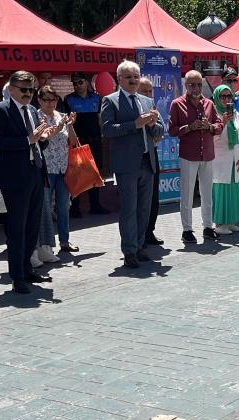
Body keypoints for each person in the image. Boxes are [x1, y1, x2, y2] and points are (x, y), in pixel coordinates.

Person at [0, 71, 56, 293]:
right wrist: (29, 139)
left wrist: (44, 138)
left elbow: (36, 145)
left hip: (35, 173)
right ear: (11, 89)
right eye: (23, 89)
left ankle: (27, 268)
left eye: (31, 90)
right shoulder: (1, 110)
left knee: (32, 226)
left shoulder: (32, 112)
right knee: (17, 227)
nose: (28, 94)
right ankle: (17, 276)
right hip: (14, 178)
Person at [102, 61, 164, 267]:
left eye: (136, 77)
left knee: (144, 209)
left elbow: (160, 129)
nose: (133, 81)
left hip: (147, 162)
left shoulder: (146, 101)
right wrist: (134, 125)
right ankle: (129, 251)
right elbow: (108, 130)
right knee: (129, 209)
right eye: (129, 77)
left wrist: (154, 125)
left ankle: (139, 246)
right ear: (119, 79)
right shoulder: (110, 101)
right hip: (127, 165)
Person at [170, 69, 224, 242]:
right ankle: (187, 230)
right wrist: (189, 127)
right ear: (186, 85)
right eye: (192, 85)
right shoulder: (177, 104)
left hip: (207, 154)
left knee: (207, 193)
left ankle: (208, 226)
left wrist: (209, 127)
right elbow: (172, 130)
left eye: (199, 84)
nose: (196, 88)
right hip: (188, 155)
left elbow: (219, 125)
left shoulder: (209, 103)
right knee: (187, 194)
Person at [36, 85, 79, 260]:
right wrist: (59, 125)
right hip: (46, 168)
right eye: (46, 99)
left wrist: (69, 126)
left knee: (63, 206)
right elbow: (43, 138)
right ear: (39, 100)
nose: (50, 103)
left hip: (63, 167)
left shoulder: (61, 116)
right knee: (45, 208)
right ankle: (47, 245)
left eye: (53, 99)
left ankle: (64, 241)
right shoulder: (37, 116)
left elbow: (74, 141)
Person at [65, 72, 110, 217]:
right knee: (77, 174)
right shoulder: (69, 99)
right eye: (75, 83)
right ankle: (75, 208)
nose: (77, 85)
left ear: (86, 82)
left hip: (95, 141)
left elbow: (101, 119)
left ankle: (95, 205)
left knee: (95, 173)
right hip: (78, 141)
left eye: (80, 82)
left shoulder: (97, 98)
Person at [210, 85, 239, 234]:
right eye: (223, 97)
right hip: (220, 158)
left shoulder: (236, 114)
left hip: (235, 157)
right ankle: (219, 224)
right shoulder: (214, 115)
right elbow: (211, 139)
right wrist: (223, 123)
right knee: (221, 190)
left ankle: (230, 221)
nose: (226, 99)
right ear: (217, 98)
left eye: (229, 96)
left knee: (233, 188)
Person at [137, 77, 164, 246]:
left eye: (150, 91)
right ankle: (138, 236)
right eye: (144, 91)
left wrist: (152, 125)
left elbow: (161, 131)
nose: (148, 94)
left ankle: (149, 232)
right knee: (137, 200)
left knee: (153, 197)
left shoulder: (153, 108)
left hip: (151, 157)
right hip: (134, 158)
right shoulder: (133, 107)